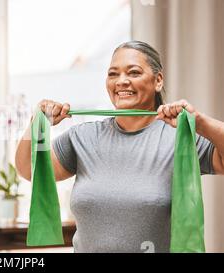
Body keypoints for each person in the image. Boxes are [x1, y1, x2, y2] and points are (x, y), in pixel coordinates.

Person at [15, 40, 224, 253]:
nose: (121, 81)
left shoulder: (181, 139)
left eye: (133, 73)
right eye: (113, 74)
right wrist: (37, 124)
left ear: (158, 80)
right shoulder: (83, 137)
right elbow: (27, 168)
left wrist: (201, 123)